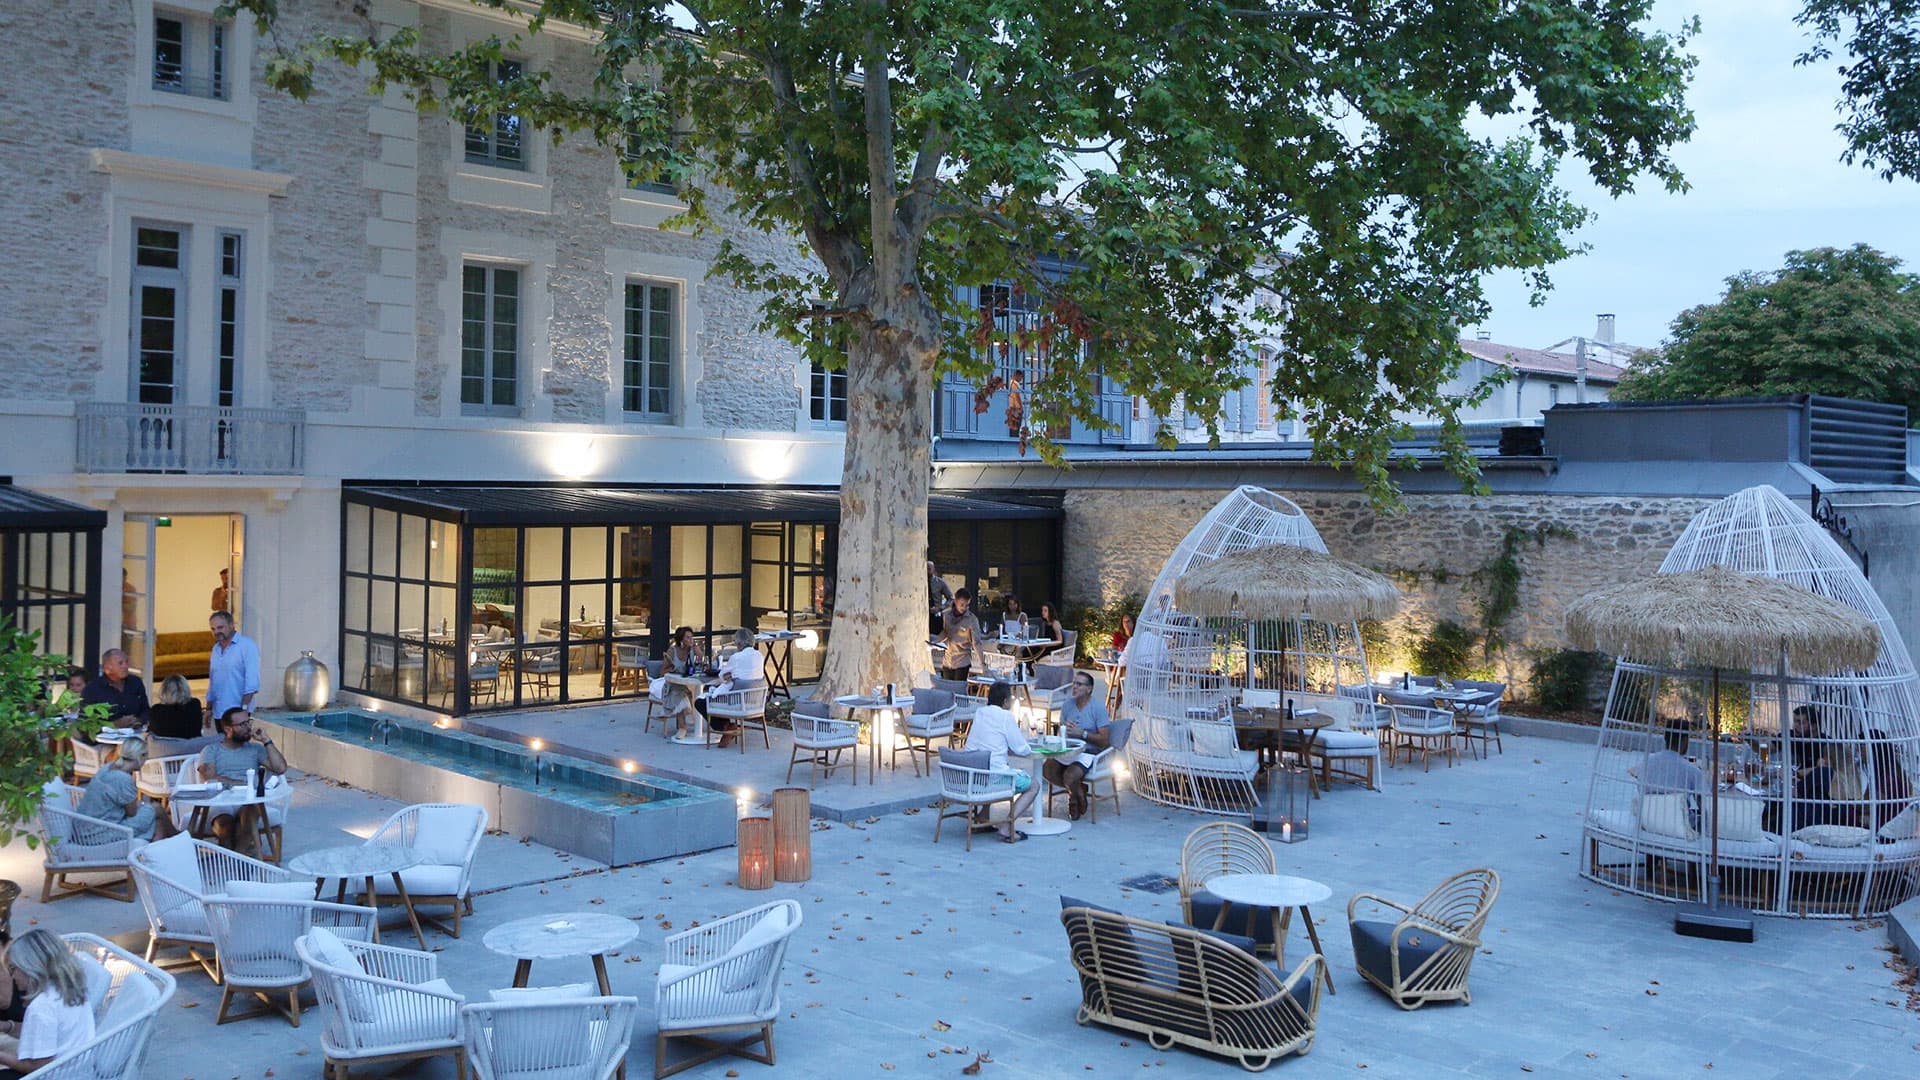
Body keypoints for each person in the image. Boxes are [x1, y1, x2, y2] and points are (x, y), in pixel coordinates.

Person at [0, 930, 96, 1075]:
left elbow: (37, 1067)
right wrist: (7, 1026)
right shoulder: (69, 989)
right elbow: (41, 1034)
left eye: (13, 968)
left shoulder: (41, 1007)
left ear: (31, 967)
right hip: (78, 1071)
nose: (12, 976)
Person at [1041, 671, 1131, 820]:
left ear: (1089, 689)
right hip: (1069, 749)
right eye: (1074, 683)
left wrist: (1082, 733)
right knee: (1047, 769)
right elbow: (1061, 731)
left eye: (1079, 684)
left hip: (1090, 752)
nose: (1074, 687)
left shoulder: (1097, 707)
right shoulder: (1068, 705)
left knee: (1070, 776)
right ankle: (1078, 789)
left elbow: (1104, 740)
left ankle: (1074, 799)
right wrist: (1064, 728)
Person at [196, 708, 288, 847]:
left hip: (248, 799)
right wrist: (241, 783)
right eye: (242, 724)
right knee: (225, 827)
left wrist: (267, 741)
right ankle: (234, 861)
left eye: (248, 722)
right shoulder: (211, 750)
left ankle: (239, 862)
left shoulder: (255, 749)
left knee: (247, 821)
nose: (248, 728)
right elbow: (209, 776)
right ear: (228, 729)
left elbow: (280, 768)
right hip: (222, 799)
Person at [961, 681, 1037, 842]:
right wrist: (1034, 745)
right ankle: (1007, 826)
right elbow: (1021, 748)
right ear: (1005, 701)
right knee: (1033, 785)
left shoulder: (980, 712)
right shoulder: (1005, 717)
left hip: (972, 775)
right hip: (991, 778)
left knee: (996, 765)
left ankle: (982, 817)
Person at [76, 737, 170, 840]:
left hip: (83, 830)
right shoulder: (123, 779)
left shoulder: (107, 767)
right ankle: (178, 837)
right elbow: (132, 813)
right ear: (141, 756)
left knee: (157, 822)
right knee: (157, 809)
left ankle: (169, 842)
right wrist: (142, 804)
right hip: (100, 833)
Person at [707, 628, 766, 749]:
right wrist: (734, 675)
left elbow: (722, 676)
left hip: (737, 702)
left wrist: (730, 676)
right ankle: (729, 726)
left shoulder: (736, 657)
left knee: (702, 702)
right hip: (756, 702)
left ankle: (727, 727)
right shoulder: (760, 656)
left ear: (739, 644)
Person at [205, 610, 260, 726]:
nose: (216, 632)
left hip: (237, 713)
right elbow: (213, 681)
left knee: (238, 744)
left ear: (231, 625)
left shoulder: (247, 646)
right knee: (221, 743)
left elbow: (252, 683)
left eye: (220, 627)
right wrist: (208, 708)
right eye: (213, 629)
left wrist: (244, 709)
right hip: (219, 712)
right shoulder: (216, 649)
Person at [657, 627, 707, 743]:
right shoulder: (672, 651)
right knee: (681, 695)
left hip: (688, 685)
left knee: (686, 693)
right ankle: (683, 726)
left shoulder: (692, 651)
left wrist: (697, 649)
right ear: (681, 639)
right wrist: (673, 669)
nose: (691, 640)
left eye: (691, 637)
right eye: (688, 637)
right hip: (672, 685)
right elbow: (662, 672)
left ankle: (684, 726)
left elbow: (704, 663)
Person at [79, 648, 148, 729]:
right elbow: (84, 724)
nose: (125, 666)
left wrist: (139, 720)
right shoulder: (91, 690)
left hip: (135, 735)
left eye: (126, 662)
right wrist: (114, 725)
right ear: (107, 668)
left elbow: (146, 709)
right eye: (120, 663)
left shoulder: (136, 682)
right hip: (104, 739)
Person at [936, 589, 987, 682]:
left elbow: (977, 643)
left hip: (962, 661)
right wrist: (935, 642)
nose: (964, 608)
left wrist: (982, 664)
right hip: (948, 660)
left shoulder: (971, 619)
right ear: (955, 602)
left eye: (967, 605)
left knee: (958, 691)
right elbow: (945, 632)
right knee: (947, 691)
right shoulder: (947, 615)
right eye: (962, 605)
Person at [1870, 730, 1914, 831]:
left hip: (1884, 828)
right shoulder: (1893, 770)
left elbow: (1871, 805)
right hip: (1889, 825)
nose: (1859, 752)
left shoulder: (1889, 776)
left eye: (1861, 748)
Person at [147, 675, 206, 744]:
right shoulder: (195, 704)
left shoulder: (156, 710)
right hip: (193, 749)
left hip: (166, 751)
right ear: (186, 689)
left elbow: (153, 732)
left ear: (164, 691)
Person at [927, 562, 954, 635]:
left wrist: (940, 608)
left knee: (936, 637)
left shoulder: (940, 582)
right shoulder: (919, 582)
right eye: (925, 569)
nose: (927, 571)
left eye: (929, 569)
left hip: (936, 615)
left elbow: (951, 599)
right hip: (923, 615)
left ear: (933, 569)